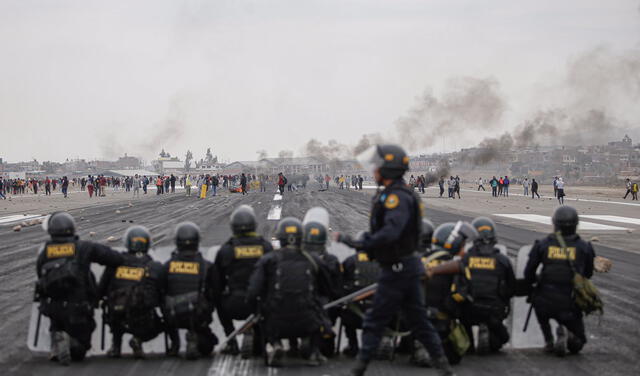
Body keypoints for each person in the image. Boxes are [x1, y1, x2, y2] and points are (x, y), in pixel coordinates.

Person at [335, 144, 454, 376]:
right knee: (420, 322)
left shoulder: (395, 198)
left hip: (397, 269)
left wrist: (357, 243)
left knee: (375, 319)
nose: (374, 171)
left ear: (388, 169)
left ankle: (358, 370)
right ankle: (445, 369)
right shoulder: (399, 193)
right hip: (408, 266)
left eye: (377, 167)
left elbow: (391, 232)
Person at [35, 212, 124, 365]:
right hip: (79, 307)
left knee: (57, 323)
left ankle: (57, 338)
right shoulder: (84, 247)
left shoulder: (45, 251)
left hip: (53, 308)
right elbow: (115, 259)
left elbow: (40, 276)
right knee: (80, 350)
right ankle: (70, 342)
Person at [247, 217, 333, 367]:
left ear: (280, 239)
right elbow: (329, 289)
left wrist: (259, 309)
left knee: (262, 311)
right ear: (302, 238)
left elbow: (253, 292)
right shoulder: (313, 260)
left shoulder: (268, 259)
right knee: (320, 306)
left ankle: (275, 344)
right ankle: (312, 349)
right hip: (308, 320)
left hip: (276, 321)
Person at [524, 206, 596, 356]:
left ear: (555, 223)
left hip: (545, 301)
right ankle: (567, 331)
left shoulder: (543, 245)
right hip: (571, 302)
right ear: (576, 224)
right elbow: (588, 274)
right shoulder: (585, 247)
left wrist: (536, 283)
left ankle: (549, 340)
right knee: (577, 345)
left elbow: (528, 273)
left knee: (537, 304)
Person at [215, 205, 273, 358]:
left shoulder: (226, 250)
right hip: (260, 304)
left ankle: (231, 341)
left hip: (234, 303)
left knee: (218, 300)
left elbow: (216, 284)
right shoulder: (266, 247)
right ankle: (261, 339)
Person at [98, 226, 163, 358]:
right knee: (162, 324)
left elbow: (102, 287)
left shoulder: (116, 262)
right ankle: (138, 339)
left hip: (116, 312)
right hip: (141, 315)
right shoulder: (150, 265)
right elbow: (158, 290)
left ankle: (116, 346)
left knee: (115, 308)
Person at [160, 222, 219, 359]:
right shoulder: (206, 266)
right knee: (208, 346)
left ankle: (175, 344)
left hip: (172, 315)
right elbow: (215, 293)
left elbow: (159, 291)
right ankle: (194, 334)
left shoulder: (167, 265)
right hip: (197, 315)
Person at [422, 222, 478, 365]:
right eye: (463, 245)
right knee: (455, 357)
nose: (464, 250)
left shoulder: (420, 260)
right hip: (442, 322)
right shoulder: (456, 267)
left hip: (416, 321)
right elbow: (463, 295)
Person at [460, 217, 515, 354]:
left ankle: (469, 343)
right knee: (501, 341)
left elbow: (458, 284)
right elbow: (511, 288)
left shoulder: (465, 259)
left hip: (470, 309)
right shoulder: (502, 260)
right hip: (493, 310)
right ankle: (488, 328)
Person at [302, 207, 342, 358]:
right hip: (325, 309)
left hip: (297, 308)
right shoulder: (331, 261)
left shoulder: (295, 258)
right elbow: (337, 291)